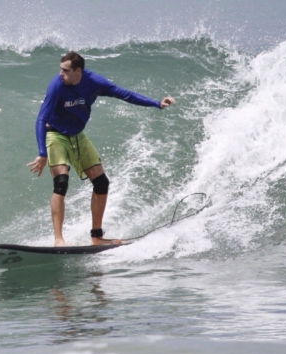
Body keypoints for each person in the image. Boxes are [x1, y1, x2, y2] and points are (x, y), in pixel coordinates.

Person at [27, 51, 175, 246]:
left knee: (101, 182)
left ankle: (96, 237)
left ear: (78, 71)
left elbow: (125, 94)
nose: (60, 74)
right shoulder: (56, 86)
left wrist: (156, 103)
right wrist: (42, 153)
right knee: (61, 182)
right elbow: (41, 118)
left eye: (65, 70)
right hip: (55, 134)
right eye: (60, 69)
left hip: (77, 135)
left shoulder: (94, 82)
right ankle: (58, 240)